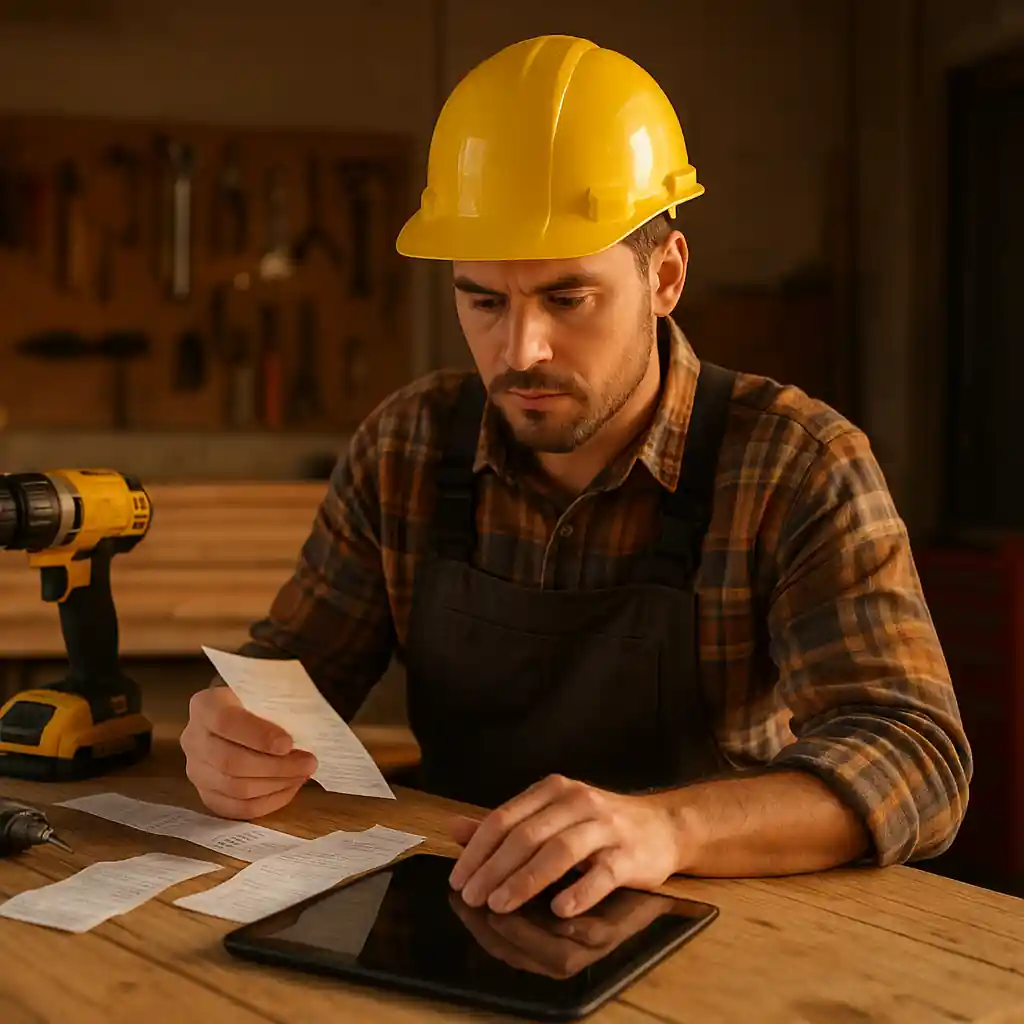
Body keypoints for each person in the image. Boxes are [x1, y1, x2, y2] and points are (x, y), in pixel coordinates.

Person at [181, 35, 971, 920]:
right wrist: (233, 729)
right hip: (456, 914)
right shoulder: (405, 444)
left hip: (719, 932)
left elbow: (917, 758)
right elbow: (293, 674)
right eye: (483, 301)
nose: (520, 352)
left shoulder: (795, 462)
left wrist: (667, 830)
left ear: (665, 275)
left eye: (567, 299)